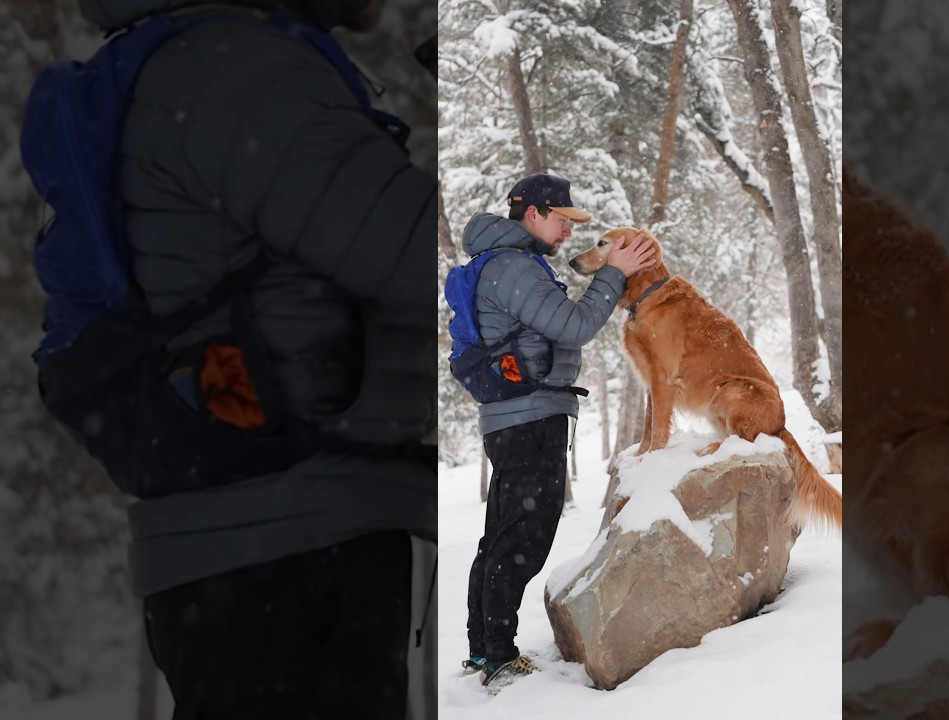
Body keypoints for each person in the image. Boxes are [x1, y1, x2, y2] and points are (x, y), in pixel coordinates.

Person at [54, 1, 436, 716]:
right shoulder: (240, 72)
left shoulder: (212, 60)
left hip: (264, 544)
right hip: (287, 553)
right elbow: (423, 262)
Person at [459, 172, 655, 687]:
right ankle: (498, 657)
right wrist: (612, 274)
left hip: (519, 417)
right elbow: (574, 326)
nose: (568, 232)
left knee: (501, 535)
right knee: (523, 537)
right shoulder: (513, 268)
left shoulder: (508, 264)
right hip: (529, 419)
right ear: (533, 214)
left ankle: (485, 649)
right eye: (562, 220)